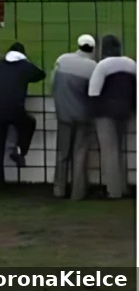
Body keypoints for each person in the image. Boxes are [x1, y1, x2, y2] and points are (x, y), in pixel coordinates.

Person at [0, 41, 45, 191]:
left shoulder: (0, 65)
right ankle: (19, 150)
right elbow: (41, 74)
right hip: (14, 109)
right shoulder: (25, 67)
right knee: (29, 123)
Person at [88, 35, 136, 200]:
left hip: (105, 113)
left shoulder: (103, 65)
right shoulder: (131, 64)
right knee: (120, 150)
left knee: (109, 152)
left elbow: (93, 92)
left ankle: (113, 192)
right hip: (125, 112)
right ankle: (124, 187)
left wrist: (94, 113)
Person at [51, 34, 97, 201]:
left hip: (64, 114)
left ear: (78, 45)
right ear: (92, 48)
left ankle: (59, 189)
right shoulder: (93, 67)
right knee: (79, 153)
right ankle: (78, 193)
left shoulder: (62, 60)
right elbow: (95, 93)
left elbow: (53, 84)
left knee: (62, 153)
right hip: (84, 116)